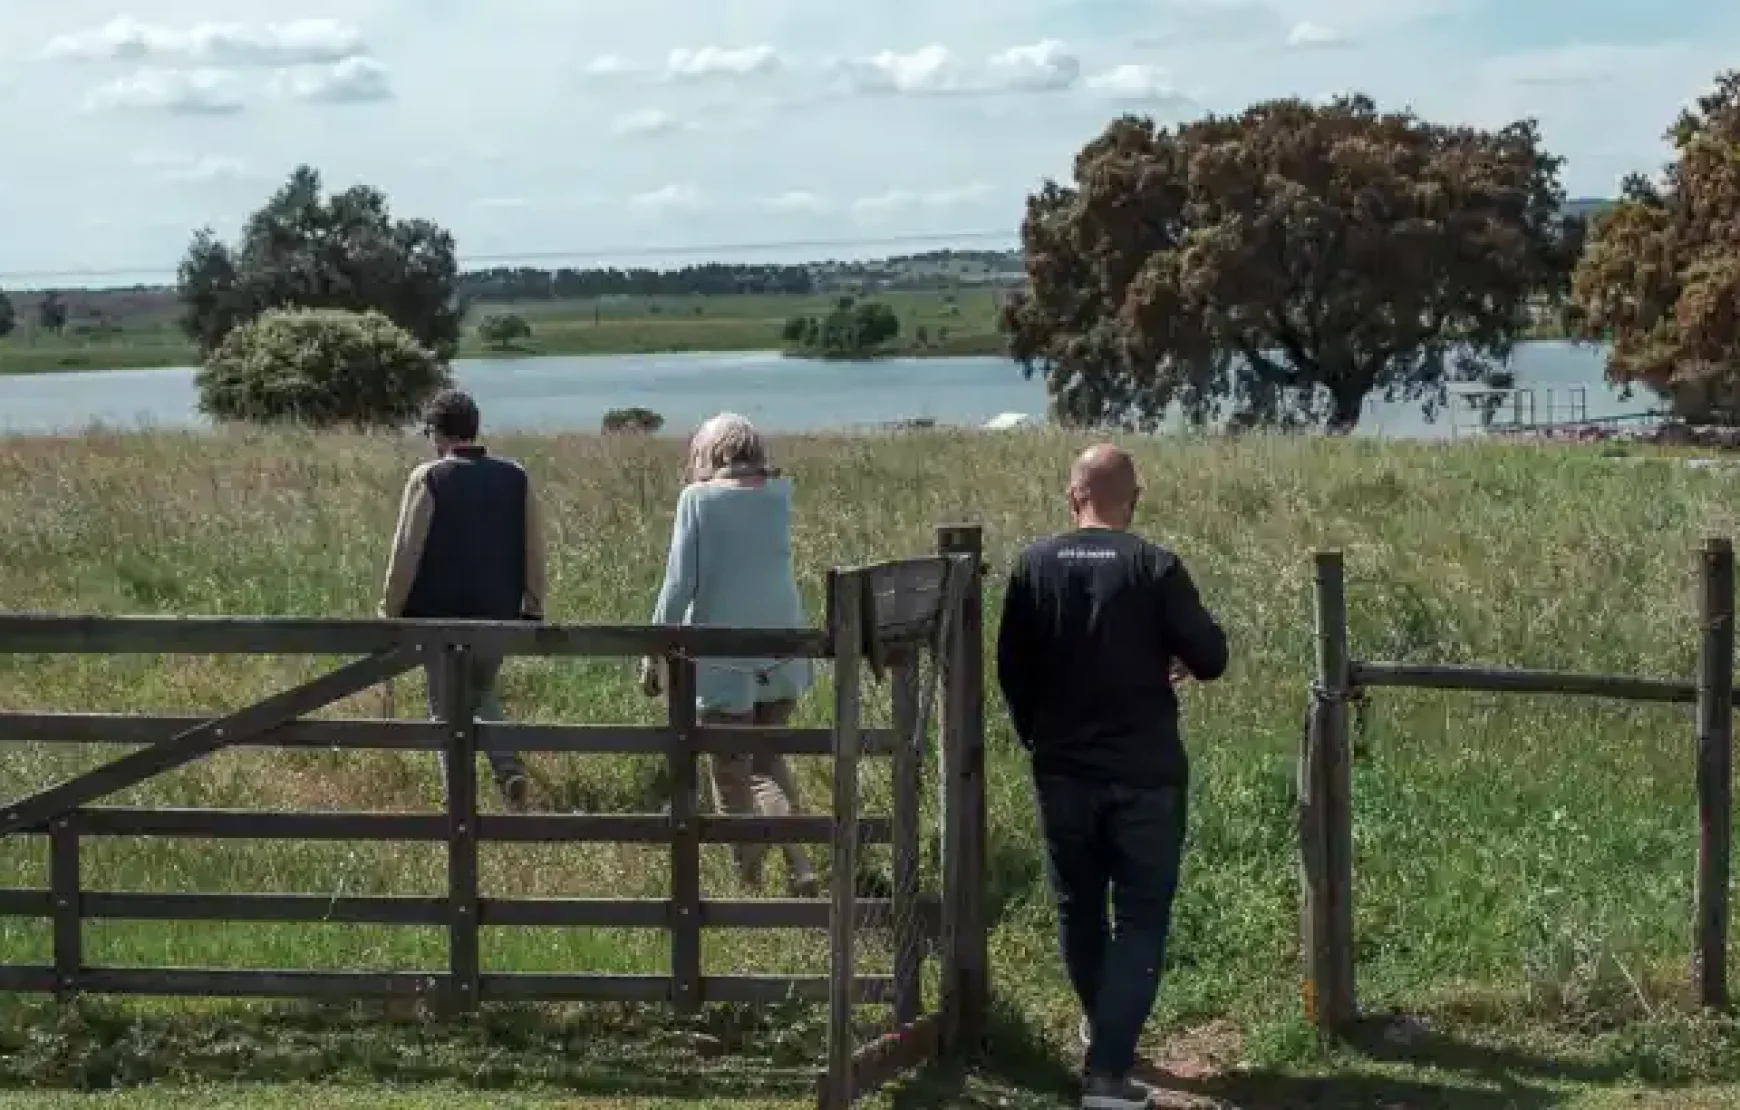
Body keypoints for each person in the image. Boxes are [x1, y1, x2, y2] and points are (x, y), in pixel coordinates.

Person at [995, 444, 1228, 1110]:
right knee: (1142, 917)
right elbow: (1210, 658)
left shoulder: (1033, 566)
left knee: (1078, 908)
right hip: (1146, 770)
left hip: (1063, 769)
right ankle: (1107, 1072)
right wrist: (1172, 657)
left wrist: (1037, 736)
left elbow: (1012, 668)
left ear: (1072, 497)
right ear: (1135, 500)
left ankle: (1106, 1037)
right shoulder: (1155, 566)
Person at [640, 413, 819, 897]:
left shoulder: (697, 501)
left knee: (730, 773)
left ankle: (750, 883)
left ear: (709, 456)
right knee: (767, 762)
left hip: (722, 658)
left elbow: (679, 586)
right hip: (782, 651)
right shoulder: (780, 497)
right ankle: (800, 864)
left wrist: (653, 651)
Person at [379, 389, 547, 812]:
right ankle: (508, 770)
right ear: (473, 427)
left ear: (437, 433)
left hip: (439, 616)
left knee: (445, 711)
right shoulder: (516, 476)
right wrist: (534, 603)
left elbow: (406, 551)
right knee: (479, 690)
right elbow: (534, 546)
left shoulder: (429, 478)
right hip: (499, 612)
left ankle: (458, 805)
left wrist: (390, 609)